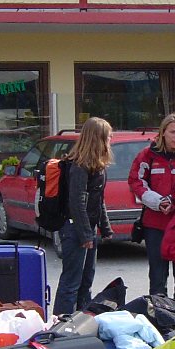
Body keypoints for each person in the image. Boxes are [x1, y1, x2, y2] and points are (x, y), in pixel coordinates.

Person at [128, 113, 175, 316]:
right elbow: (136, 182)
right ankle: (160, 324)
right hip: (154, 225)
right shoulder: (147, 155)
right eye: (172, 132)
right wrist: (157, 201)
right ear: (163, 132)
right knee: (157, 277)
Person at [53, 117, 114, 315]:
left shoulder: (98, 165)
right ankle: (61, 325)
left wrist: (105, 228)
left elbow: (98, 199)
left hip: (89, 228)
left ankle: (80, 322)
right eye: (108, 137)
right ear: (98, 138)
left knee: (86, 281)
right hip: (74, 229)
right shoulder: (78, 166)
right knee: (71, 282)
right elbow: (76, 203)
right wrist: (86, 235)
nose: (110, 140)